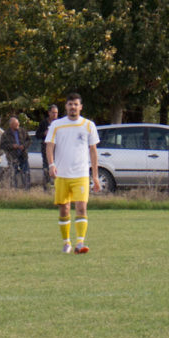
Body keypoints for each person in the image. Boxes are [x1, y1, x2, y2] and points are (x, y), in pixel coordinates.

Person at [45, 93, 100, 254]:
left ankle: (80, 243)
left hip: (81, 174)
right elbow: (49, 145)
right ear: (66, 107)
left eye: (76, 104)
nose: (73, 107)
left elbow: (93, 150)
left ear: (80, 107)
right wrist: (51, 165)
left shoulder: (88, 125)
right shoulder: (57, 125)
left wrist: (95, 176)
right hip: (62, 175)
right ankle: (66, 242)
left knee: (82, 207)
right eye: (70, 104)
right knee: (64, 209)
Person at [1, 116, 31, 190]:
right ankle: (14, 190)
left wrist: (24, 146)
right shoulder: (6, 134)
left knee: (26, 173)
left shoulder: (23, 131)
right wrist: (12, 146)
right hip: (12, 157)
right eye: (16, 124)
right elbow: (2, 145)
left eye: (18, 123)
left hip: (23, 156)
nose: (18, 125)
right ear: (11, 125)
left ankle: (27, 190)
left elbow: (29, 140)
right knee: (13, 174)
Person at [36, 105, 59, 192]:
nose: (55, 114)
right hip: (46, 148)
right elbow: (37, 135)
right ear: (49, 113)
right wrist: (44, 133)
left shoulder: (59, 123)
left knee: (58, 168)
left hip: (57, 148)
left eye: (56, 113)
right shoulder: (44, 123)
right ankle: (47, 189)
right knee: (47, 168)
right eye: (53, 112)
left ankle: (58, 188)